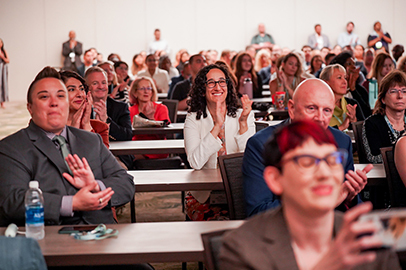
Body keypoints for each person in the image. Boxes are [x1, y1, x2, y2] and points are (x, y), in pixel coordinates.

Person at [220, 120, 400, 270]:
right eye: (307, 162)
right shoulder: (241, 248)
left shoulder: (372, 238)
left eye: (332, 160)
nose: (324, 173)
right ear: (275, 179)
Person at [0, 66, 135, 227]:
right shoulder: (8, 148)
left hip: (99, 235)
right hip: (45, 238)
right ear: (30, 108)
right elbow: (13, 200)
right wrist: (71, 203)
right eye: (44, 97)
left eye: (61, 96)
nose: (54, 103)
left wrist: (96, 187)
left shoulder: (91, 140)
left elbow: (125, 182)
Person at [243, 79, 371, 217]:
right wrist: (321, 200)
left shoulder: (341, 142)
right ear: (291, 109)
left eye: (327, 111)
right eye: (311, 108)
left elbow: (347, 204)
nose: (320, 118)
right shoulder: (261, 144)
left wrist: (349, 198)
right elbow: (258, 212)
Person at [184, 64, 255, 221]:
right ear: (202, 89)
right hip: (204, 194)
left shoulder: (243, 114)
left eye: (222, 81)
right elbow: (195, 162)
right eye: (211, 82)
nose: (217, 87)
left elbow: (250, 158)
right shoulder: (193, 119)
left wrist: (243, 123)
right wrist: (216, 126)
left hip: (240, 190)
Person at [85, 67, 133, 169]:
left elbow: (127, 135)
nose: (101, 86)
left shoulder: (120, 107)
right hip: (86, 156)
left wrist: (106, 120)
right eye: (95, 83)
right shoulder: (80, 108)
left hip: (114, 155)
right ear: (86, 87)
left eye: (104, 82)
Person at [363, 70, 406, 163]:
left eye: (404, 91)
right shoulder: (372, 123)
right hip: (383, 175)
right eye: (393, 91)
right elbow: (373, 158)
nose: (400, 96)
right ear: (383, 99)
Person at [59, 70, 109, 148]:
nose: (80, 94)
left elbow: (101, 157)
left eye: (82, 89)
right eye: (72, 89)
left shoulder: (100, 127)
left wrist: (86, 126)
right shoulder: (51, 128)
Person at [129, 77, 170, 160]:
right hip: (137, 148)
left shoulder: (162, 108)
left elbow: (164, 134)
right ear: (135, 93)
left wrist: (152, 120)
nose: (146, 91)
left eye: (148, 88)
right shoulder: (130, 110)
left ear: (152, 92)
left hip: (157, 149)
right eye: (142, 88)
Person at [321, 64, 364, 131]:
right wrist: (341, 128)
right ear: (326, 83)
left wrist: (354, 120)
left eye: (345, 78)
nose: (344, 82)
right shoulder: (319, 107)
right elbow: (317, 135)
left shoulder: (352, 104)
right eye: (339, 78)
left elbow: (364, 135)